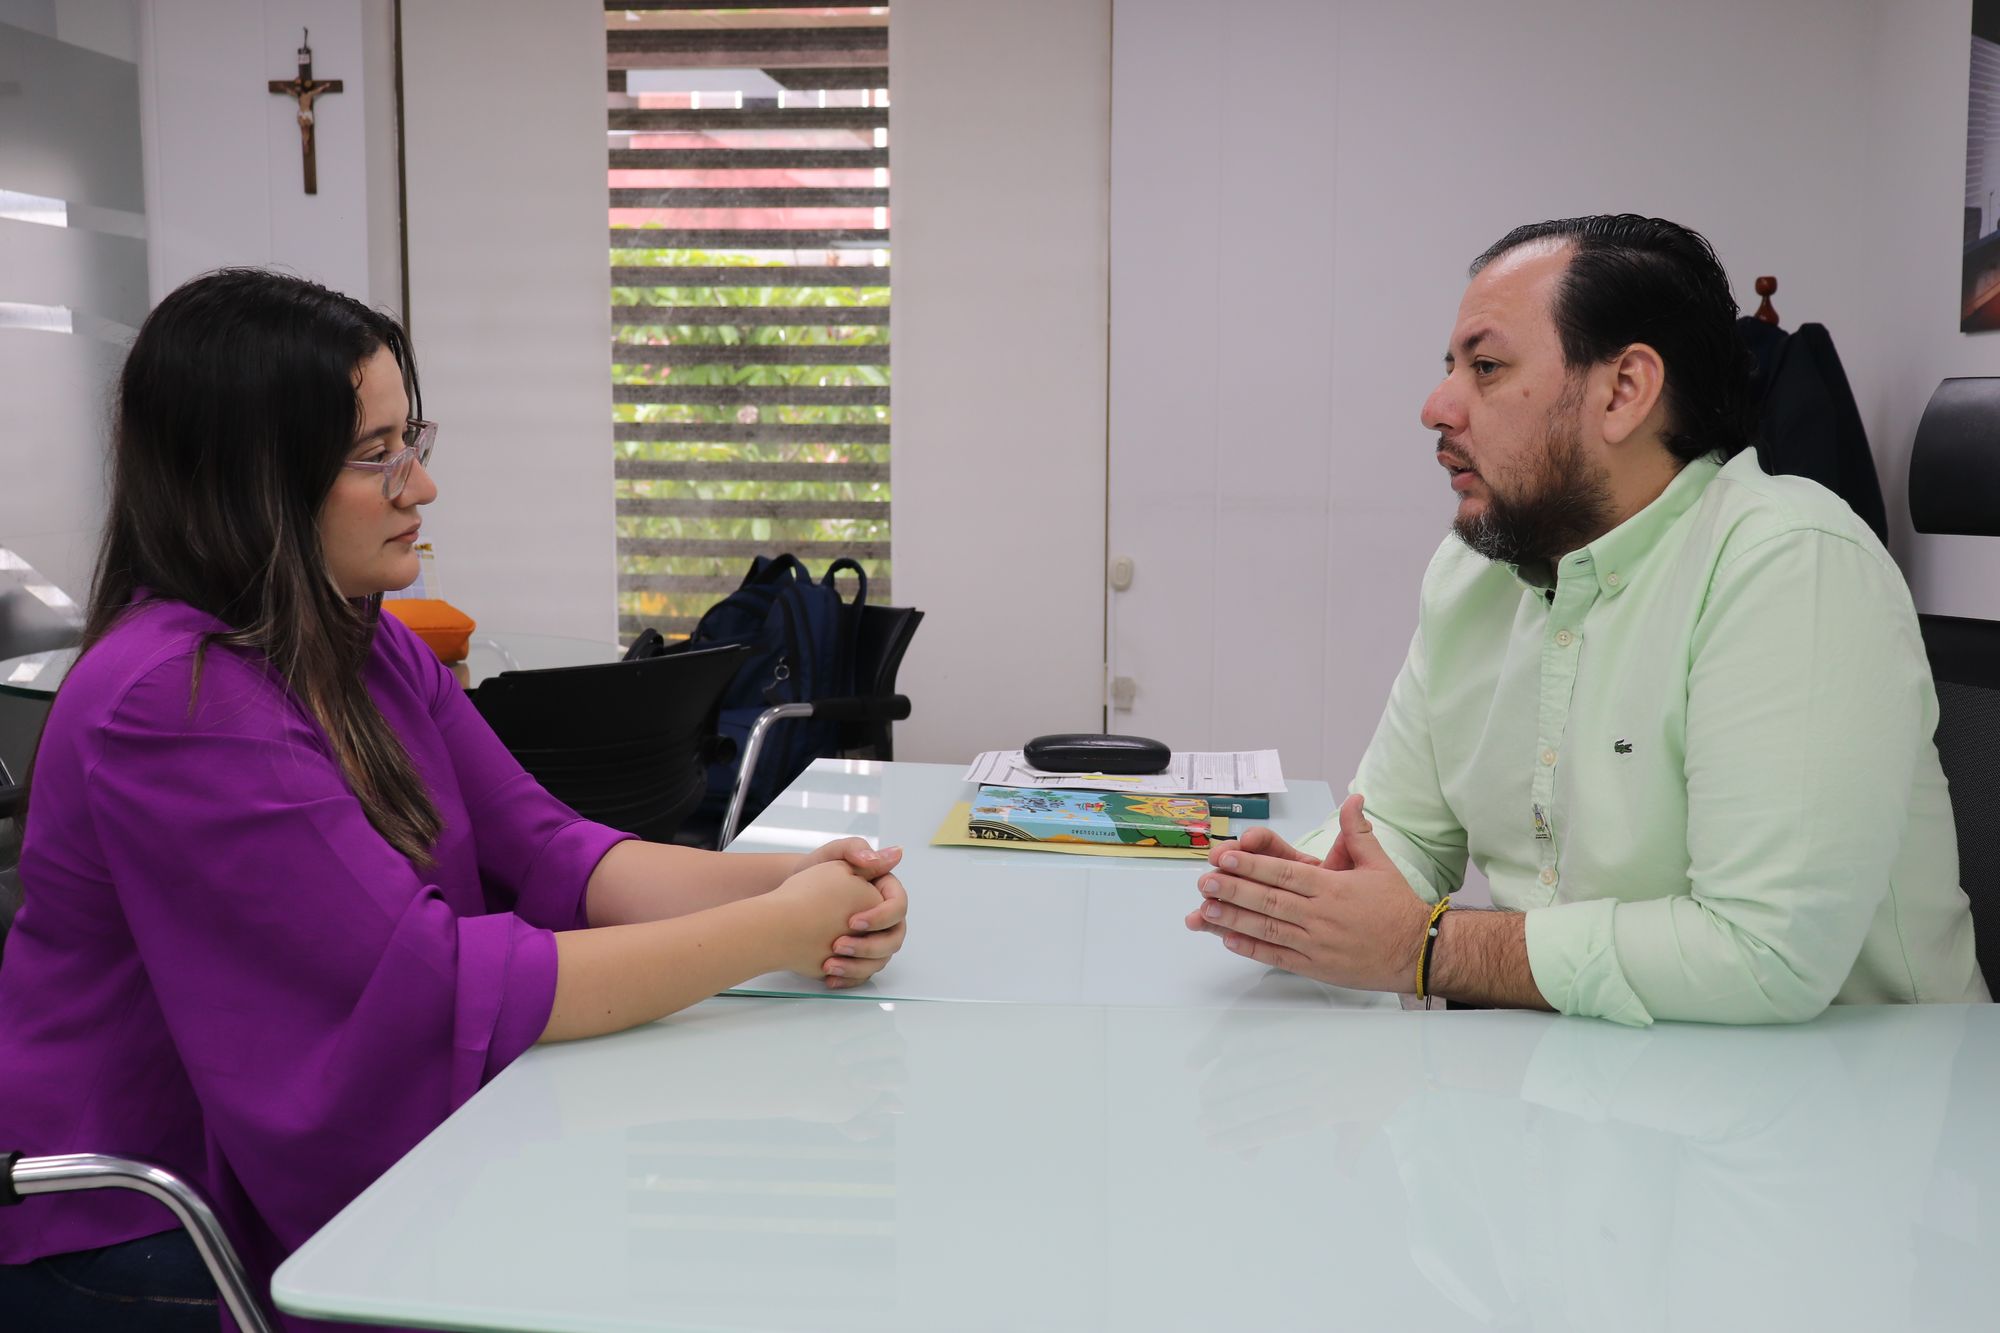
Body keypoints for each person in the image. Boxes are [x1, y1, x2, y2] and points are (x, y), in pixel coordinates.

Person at [0, 268, 909, 1329]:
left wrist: (801, 880)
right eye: (374, 454)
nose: (419, 487)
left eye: (411, 441)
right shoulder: (176, 700)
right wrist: (774, 930)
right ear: (251, 478)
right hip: (147, 1209)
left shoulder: (362, 639)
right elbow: (432, 989)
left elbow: (552, 847)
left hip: (239, 1164)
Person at [1186, 214, 1986, 1025]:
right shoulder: (1473, 575)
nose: (1436, 406)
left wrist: (1424, 947)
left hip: (1857, 1085)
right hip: (1587, 1071)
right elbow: (1395, 829)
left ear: (1624, 390)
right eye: (1450, 368)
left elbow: (1763, 954)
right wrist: (1282, 895)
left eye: (1486, 367)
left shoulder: (1788, 561)